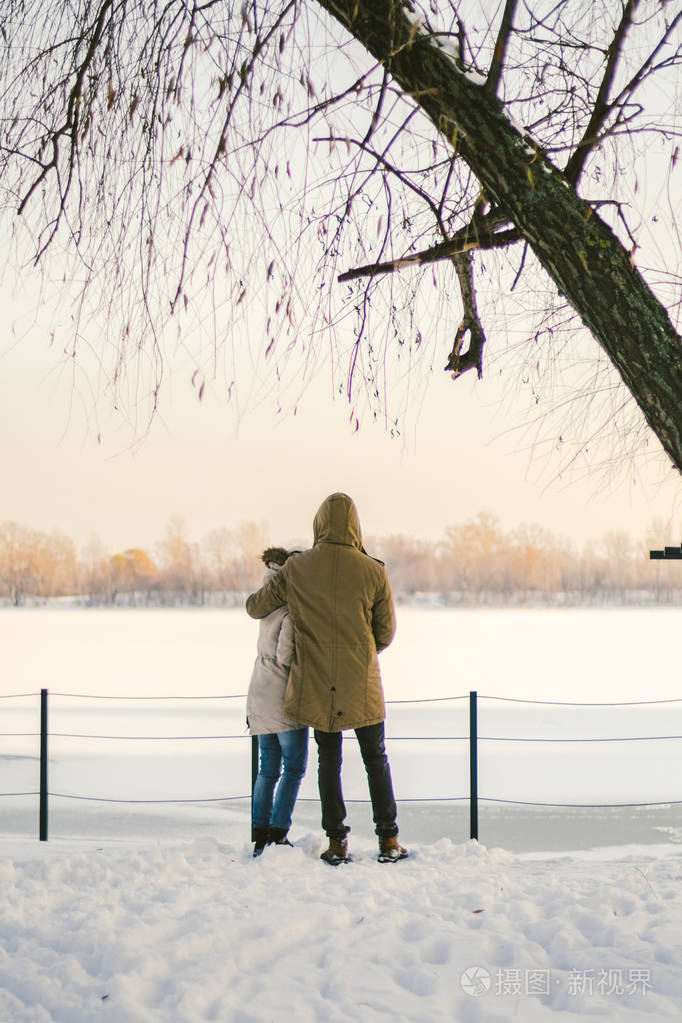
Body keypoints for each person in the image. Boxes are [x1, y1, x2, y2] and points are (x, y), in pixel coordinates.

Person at [246, 493, 407, 865]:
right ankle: (388, 839)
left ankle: (337, 842)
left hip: (316, 683)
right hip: (361, 681)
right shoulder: (373, 570)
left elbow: (257, 607)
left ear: (318, 524)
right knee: (375, 759)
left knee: (328, 761)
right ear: (355, 526)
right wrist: (358, 652)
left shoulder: (297, 568)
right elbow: (385, 632)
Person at [246, 546, 308, 857]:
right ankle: (278, 831)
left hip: (257, 691)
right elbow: (286, 656)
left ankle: (259, 833)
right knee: (294, 766)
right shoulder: (290, 608)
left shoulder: (266, 602)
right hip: (282, 695)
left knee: (267, 767)